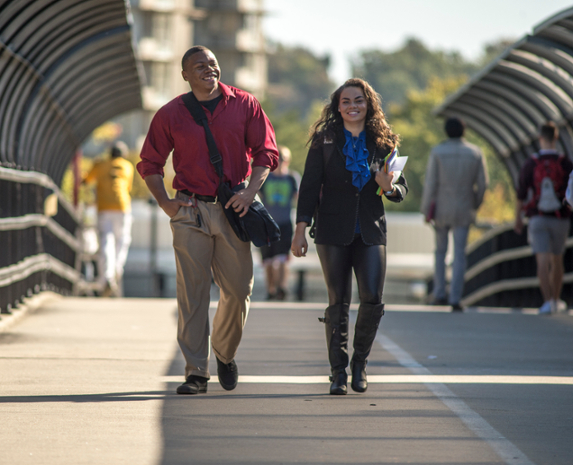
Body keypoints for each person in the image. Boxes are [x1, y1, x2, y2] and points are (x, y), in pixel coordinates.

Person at [137, 46, 278, 394]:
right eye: (199, 66)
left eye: (213, 63)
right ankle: (196, 372)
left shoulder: (245, 104)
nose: (208, 69)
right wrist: (166, 203)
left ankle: (225, 354)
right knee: (193, 294)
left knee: (238, 289)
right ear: (185, 75)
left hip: (235, 209)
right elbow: (150, 163)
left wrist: (250, 192)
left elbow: (267, 152)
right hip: (190, 212)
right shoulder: (171, 113)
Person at [291, 78, 407, 396]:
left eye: (358, 100)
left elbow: (400, 189)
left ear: (368, 104)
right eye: (346, 101)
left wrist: (388, 186)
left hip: (370, 230)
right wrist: (300, 230)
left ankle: (360, 364)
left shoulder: (384, 143)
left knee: (372, 299)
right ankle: (338, 373)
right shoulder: (324, 139)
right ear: (337, 106)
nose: (352, 106)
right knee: (338, 302)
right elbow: (310, 187)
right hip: (331, 230)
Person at [420, 117, 488, 311]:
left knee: (440, 252)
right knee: (460, 254)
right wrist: (475, 203)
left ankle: (439, 293)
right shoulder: (475, 153)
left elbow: (431, 183)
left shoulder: (438, 152)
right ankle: (455, 297)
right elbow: (483, 184)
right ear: (464, 131)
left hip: (441, 208)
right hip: (465, 208)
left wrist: (426, 209)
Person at [514, 122, 572, 315]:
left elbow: (521, 192)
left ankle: (546, 301)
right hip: (560, 218)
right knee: (557, 260)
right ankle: (556, 300)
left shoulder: (531, 163)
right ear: (556, 137)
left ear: (540, 137)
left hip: (537, 217)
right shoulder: (565, 162)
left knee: (542, 260)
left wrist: (518, 218)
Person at [83, 141, 134, 297]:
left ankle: (107, 275)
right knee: (123, 240)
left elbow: (86, 181)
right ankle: (117, 269)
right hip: (123, 207)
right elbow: (128, 188)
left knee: (107, 240)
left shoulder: (100, 164)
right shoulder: (128, 166)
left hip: (104, 208)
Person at [258, 146, 300, 300]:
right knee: (268, 260)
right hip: (267, 224)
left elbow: (298, 198)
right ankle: (271, 289)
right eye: (277, 160)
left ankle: (282, 287)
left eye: (283, 159)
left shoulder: (291, 178)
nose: (280, 162)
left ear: (287, 161)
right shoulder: (266, 177)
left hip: (284, 223)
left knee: (282, 258)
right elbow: (257, 196)